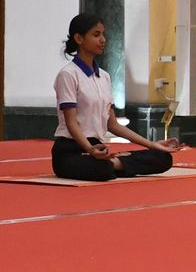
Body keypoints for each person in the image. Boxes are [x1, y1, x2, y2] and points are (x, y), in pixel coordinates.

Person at [52, 13, 180, 180]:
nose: (103, 40)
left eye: (103, 34)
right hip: (71, 150)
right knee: (102, 168)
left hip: (97, 148)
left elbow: (112, 125)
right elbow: (71, 123)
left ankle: (114, 163)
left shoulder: (104, 76)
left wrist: (152, 144)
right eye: (96, 35)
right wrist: (90, 149)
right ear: (79, 38)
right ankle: (115, 163)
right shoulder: (68, 74)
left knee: (163, 158)